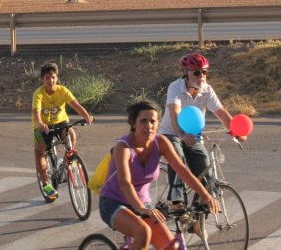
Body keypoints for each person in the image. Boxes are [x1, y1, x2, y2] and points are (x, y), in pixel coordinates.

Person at [99, 101, 219, 250]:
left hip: (144, 204)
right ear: (133, 123)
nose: (149, 126)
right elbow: (125, 183)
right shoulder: (123, 147)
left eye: (153, 121)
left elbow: (182, 171)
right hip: (114, 203)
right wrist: (142, 208)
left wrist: (206, 196)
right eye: (143, 121)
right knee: (143, 232)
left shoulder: (160, 142)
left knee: (171, 247)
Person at [158, 52, 247, 207]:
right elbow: (174, 113)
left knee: (205, 167)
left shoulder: (207, 89)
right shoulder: (175, 87)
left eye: (205, 72)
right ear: (185, 73)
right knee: (177, 157)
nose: (202, 76)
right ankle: (177, 202)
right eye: (197, 72)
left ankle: (198, 213)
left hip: (192, 134)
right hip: (171, 132)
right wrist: (182, 134)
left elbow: (221, 112)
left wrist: (237, 131)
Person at [32, 63, 93, 200]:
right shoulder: (39, 94)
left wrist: (86, 116)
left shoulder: (63, 90)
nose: (51, 80)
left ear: (57, 77)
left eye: (53, 77)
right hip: (43, 125)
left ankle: (69, 159)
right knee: (39, 152)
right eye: (47, 77)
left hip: (60, 122)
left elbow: (75, 104)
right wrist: (40, 123)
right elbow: (36, 111)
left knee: (71, 134)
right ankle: (46, 185)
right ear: (43, 79)